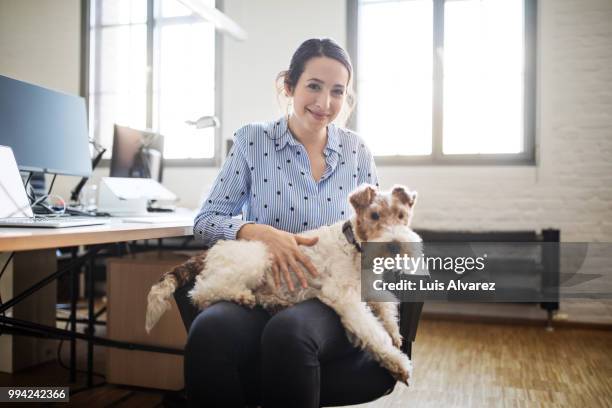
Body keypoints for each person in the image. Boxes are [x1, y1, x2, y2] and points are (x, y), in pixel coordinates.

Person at [187, 38, 394, 408]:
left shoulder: (357, 151)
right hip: (268, 287)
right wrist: (259, 232)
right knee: (209, 329)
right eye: (313, 86)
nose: (324, 103)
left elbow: (378, 233)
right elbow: (205, 222)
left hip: (333, 294)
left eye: (337, 91)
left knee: (290, 331)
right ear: (289, 86)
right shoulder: (253, 141)